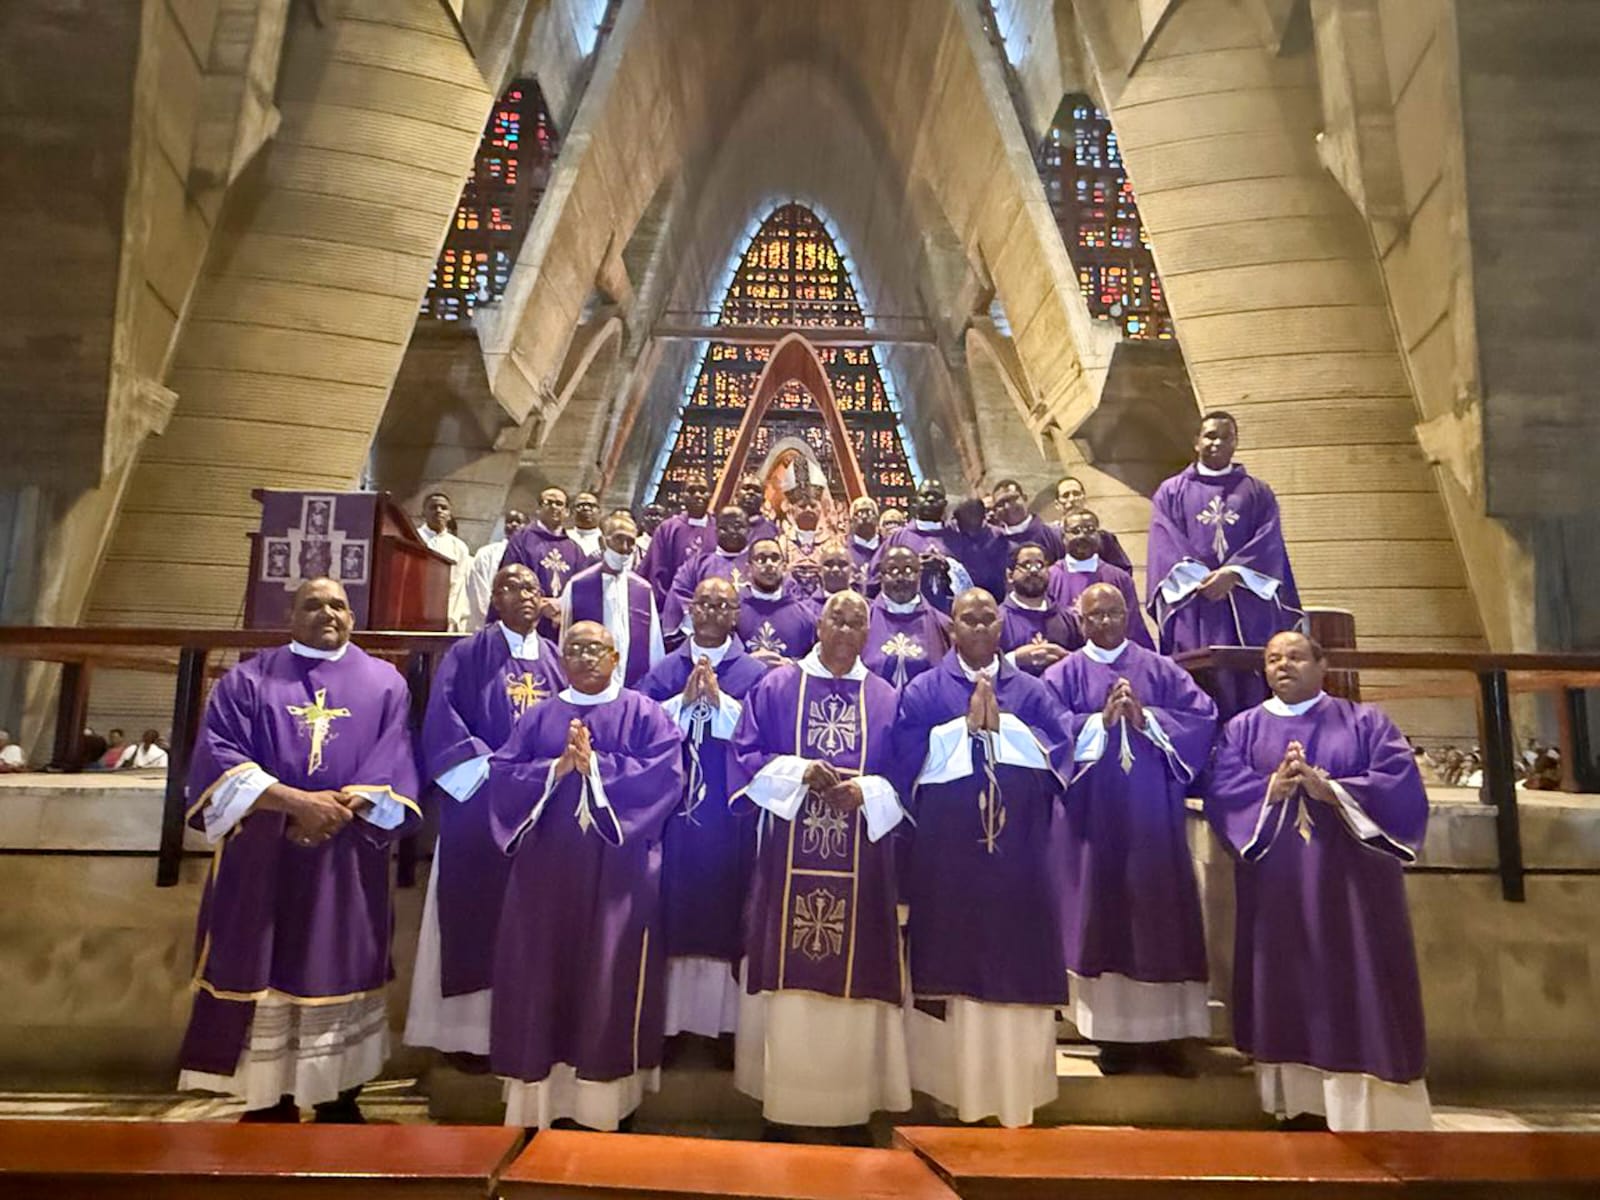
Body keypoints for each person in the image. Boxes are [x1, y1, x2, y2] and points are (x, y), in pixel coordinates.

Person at [176, 578, 421, 1123]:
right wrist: (294, 803)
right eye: (312, 605)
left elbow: (396, 755)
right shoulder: (249, 679)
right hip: (264, 854)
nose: (326, 613)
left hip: (345, 855)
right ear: (291, 616)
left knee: (340, 962)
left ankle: (339, 1096)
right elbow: (218, 754)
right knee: (264, 967)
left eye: (338, 605)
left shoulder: (385, 683)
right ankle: (269, 1098)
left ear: (353, 617)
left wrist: (339, 809)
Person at [1203, 631, 1431, 1131]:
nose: (1283, 666)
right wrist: (1270, 789)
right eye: (1273, 659)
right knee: (1287, 983)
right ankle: (1298, 1104)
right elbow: (1222, 792)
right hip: (1279, 891)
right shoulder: (1242, 729)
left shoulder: (1365, 722)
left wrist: (1334, 791)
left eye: (1295, 657)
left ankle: (1369, 1109)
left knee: (1361, 979)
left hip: (1353, 891)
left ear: (1322, 665)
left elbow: (1400, 786)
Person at [486, 621, 685, 1130]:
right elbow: (504, 775)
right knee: (541, 975)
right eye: (573, 648)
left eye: (596, 648)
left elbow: (664, 777)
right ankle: (542, 1109)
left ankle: (605, 1110)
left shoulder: (646, 714)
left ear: (616, 658)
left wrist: (596, 768)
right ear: (562, 659)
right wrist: (555, 770)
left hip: (619, 877)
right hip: (545, 880)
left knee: (610, 977)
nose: (584, 657)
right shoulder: (540, 717)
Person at [729, 592, 910, 1139]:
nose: (846, 629)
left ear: (868, 634)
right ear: (819, 626)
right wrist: (798, 772)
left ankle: (849, 1110)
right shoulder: (778, 686)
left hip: (862, 860)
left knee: (855, 979)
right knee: (789, 988)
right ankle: (786, 1108)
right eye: (837, 619)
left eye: (857, 622)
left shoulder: (885, 697)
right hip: (788, 853)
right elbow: (745, 755)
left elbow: (905, 771)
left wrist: (867, 791)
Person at [894, 589, 1071, 1127]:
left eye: (986, 618)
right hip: (949, 865)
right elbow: (903, 757)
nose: (976, 626)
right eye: (966, 619)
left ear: (1001, 626)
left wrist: (1006, 729)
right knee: (954, 965)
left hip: (1019, 862)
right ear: (951, 628)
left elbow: (1062, 750)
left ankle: (1016, 1093)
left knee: (1017, 961)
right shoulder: (925, 689)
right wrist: (960, 732)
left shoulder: (1033, 692)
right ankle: (949, 1092)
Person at [1042, 584, 1217, 1077]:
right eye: (1094, 615)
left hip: (1152, 820)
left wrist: (1149, 720)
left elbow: (1202, 717)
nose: (1105, 622)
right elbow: (1047, 731)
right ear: (1080, 621)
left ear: (1128, 616)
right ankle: (1111, 1036)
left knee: (1158, 917)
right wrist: (1097, 723)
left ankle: (1166, 1037)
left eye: (1114, 613)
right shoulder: (1062, 675)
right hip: (1092, 823)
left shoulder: (1161, 670)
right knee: (1102, 916)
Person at [406, 564, 565, 1061]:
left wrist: (543, 776)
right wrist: (500, 774)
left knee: (533, 920)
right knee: (474, 916)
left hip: (540, 807)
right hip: (480, 802)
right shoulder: (468, 654)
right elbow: (443, 720)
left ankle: (527, 1029)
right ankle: (466, 1039)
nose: (523, 595)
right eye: (510, 587)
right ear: (494, 599)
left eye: (531, 588)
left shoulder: (557, 659)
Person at [637, 578, 768, 1056]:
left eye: (723, 605)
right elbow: (640, 727)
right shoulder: (664, 671)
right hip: (675, 817)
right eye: (704, 604)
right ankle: (670, 1027)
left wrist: (722, 707)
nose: (712, 612)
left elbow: (764, 736)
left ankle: (725, 1029)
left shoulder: (754, 675)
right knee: (672, 909)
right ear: (690, 611)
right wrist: (682, 706)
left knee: (727, 908)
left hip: (729, 818)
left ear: (736, 614)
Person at [1147, 412, 1302, 717]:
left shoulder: (1258, 492)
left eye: (1225, 437)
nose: (1217, 443)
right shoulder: (1171, 492)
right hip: (1196, 603)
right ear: (1196, 442)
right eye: (1210, 436)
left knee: (1251, 681)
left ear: (1236, 442)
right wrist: (1202, 579)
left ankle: (1252, 736)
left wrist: (1233, 573)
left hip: (1246, 601)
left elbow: (1269, 541)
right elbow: (1165, 543)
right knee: (1197, 679)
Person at [560, 513, 664, 688]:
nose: (624, 548)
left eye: (630, 542)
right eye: (618, 539)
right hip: (587, 683)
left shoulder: (643, 590)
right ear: (603, 542)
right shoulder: (578, 585)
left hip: (632, 686)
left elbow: (654, 646)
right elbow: (565, 639)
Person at [1046, 509, 1153, 649]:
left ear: (1099, 535)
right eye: (1075, 531)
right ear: (1063, 537)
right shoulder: (1048, 578)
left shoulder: (1120, 578)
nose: (1082, 536)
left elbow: (1133, 627)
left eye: (1090, 530)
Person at [869, 479, 972, 612]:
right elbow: (875, 578)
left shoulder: (958, 537)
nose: (931, 499)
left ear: (945, 504)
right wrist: (910, 569)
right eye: (925, 495)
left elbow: (973, 578)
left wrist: (948, 567)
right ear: (915, 501)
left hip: (952, 613)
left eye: (936, 496)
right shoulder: (898, 539)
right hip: (909, 614)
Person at [863, 546, 950, 688]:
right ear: (881, 576)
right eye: (893, 571)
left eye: (908, 570)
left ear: (919, 575)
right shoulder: (863, 621)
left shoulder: (944, 626)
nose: (900, 578)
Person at [663, 506, 751, 635]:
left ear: (749, 529)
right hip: (706, 636)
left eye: (738, 527)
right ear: (715, 530)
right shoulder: (697, 565)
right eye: (724, 528)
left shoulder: (757, 564)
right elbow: (679, 594)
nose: (731, 531)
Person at [999, 545, 1082, 675]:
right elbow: (983, 667)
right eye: (1026, 565)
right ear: (1010, 575)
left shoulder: (1068, 618)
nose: (1034, 571)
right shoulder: (997, 619)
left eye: (1039, 565)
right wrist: (1014, 659)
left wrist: (1066, 658)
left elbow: (1084, 666)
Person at [502, 487, 593, 604]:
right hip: (528, 611)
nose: (554, 507)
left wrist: (561, 605)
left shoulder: (574, 550)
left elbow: (582, 586)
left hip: (563, 613)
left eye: (559, 504)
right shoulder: (521, 540)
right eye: (548, 502)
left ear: (566, 512)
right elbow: (510, 579)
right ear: (538, 509)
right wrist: (540, 604)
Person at [739, 538, 819, 665]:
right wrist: (747, 664)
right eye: (761, 559)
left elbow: (816, 663)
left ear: (784, 567)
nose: (769, 564)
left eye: (775, 558)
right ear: (748, 569)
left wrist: (791, 666)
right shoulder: (734, 612)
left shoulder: (806, 618)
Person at [640, 474, 715, 603]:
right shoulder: (666, 529)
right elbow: (656, 570)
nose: (698, 495)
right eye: (691, 491)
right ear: (682, 496)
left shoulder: (719, 529)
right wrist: (668, 603)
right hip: (673, 603)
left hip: (711, 604)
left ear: (710, 495)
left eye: (702, 491)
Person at [417, 491, 473, 632]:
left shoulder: (459, 547)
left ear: (449, 514)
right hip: (415, 609)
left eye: (444, 508)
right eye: (433, 507)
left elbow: (458, 585)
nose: (439, 511)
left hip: (445, 615)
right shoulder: (413, 538)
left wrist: (451, 617)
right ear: (423, 512)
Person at [466, 509, 530, 627]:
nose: (514, 524)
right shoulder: (486, 553)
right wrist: (493, 616)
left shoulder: (531, 554)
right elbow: (479, 589)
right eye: (510, 521)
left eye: (519, 522)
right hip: (491, 619)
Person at [1054, 476, 1132, 573]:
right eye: (1065, 495)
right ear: (1057, 504)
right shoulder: (1050, 537)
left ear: (1084, 498)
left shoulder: (1104, 538)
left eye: (1076, 494)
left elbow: (1123, 571)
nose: (1072, 499)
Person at [992, 478, 1066, 564]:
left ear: (1025, 498)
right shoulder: (995, 544)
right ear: (995, 510)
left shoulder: (1054, 535)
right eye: (1001, 503)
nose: (1008, 506)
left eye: (1013, 499)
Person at [777, 483, 829, 598]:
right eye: (802, 506)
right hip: (790, 598)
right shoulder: (782, 542)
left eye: (813, 506)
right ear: (792, 510)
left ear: (820, 509)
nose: (808, 510)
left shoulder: (832, 542)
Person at [736, 473, 781, 546]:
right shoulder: (723, 524)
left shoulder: (770, 529)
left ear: (763, 499)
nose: (751, 492)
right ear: (736, 494)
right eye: (746, 488)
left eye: (757, 490)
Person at [846, 496, 880, 583]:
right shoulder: (844, 549)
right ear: (851, 521)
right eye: (859, 513)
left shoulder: (887, 546)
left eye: (869, 512)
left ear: (877, 519)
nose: (864, 517)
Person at [568, 491, 604, 557]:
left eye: (591, 505)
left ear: (600, 511)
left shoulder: (608, 540)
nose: (586, 508)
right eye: (580, 505)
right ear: (572, 512)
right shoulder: (564, 537)